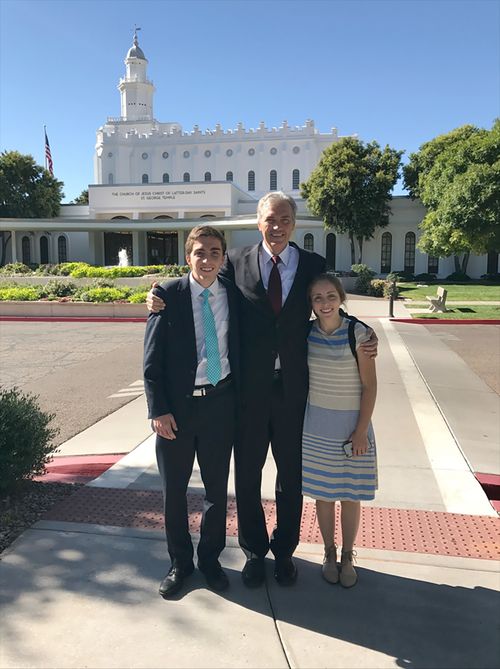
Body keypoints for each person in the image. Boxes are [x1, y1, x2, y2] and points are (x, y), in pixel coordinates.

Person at [147, 191, 377, 589]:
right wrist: (157, 294)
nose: (277, 226)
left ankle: (284, 551)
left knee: (291, 477)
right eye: (270, 218)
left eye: (285, 219)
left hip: (293, 393)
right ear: (258, 221)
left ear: (294, 223)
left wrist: (360, 330)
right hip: (246, 393)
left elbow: (328, 303)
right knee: (248, 476)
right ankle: (254, 552)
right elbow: (196, 284)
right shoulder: (234, 262)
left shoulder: (312, 265)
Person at [143, 225, 240, 598]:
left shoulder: (233, 294)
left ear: (223, 257)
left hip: (220, 403)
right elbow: (151, 362)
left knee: (216, 491)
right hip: (177, 411)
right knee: (174, 493)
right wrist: (159, 409)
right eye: (200, 252)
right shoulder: (167, 294)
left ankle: (211, 561)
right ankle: (180, 563)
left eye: (215, 252)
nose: (207, 259)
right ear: (188, 257)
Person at [302, 274, 378, 588]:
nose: (325, 303)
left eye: (331, 296)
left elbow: (370, 387)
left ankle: (348, 554)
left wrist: (360, 431)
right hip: (317, 426)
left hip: (352, 427)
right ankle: (328, 552)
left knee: (350, 496)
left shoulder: (359, 334)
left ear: (341, 297)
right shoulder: (304, 334)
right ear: (311, 304)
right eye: (317, 298)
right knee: (323, 495)